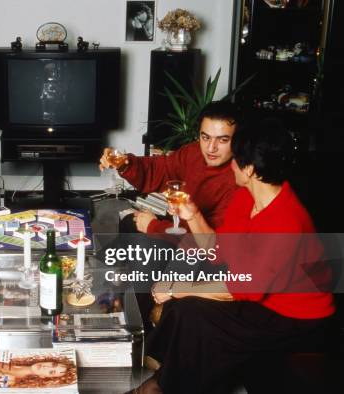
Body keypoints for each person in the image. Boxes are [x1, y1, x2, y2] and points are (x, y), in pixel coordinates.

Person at [127, 119, 335, 394]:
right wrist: (194, 215)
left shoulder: (286, 222)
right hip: (260, 295)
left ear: (249, 169)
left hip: (296, 316)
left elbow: (242, 290)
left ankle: (162, 387)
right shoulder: (247, 197)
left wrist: (178, 289)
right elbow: (218, 252)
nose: (231, 164)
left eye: (236, 159)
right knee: (184, 307)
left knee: (192, 311)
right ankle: (164, 378)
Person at [99, 101, 240, 234]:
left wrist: (153, 226)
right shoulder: (193, 152)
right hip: (181, 227)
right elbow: (158, 169)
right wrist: (123, 163)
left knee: (141, 241)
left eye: (223, 140)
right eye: (206, 137)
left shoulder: (240, 179)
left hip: (199, 247)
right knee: (129, 223)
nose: (211, 148)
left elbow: (212, 246)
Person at [0, 354, 77, 388]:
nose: (46, 367)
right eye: (53, 365)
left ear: (44, 377)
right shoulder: (14, 359)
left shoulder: (11, 382)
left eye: (51, 372)